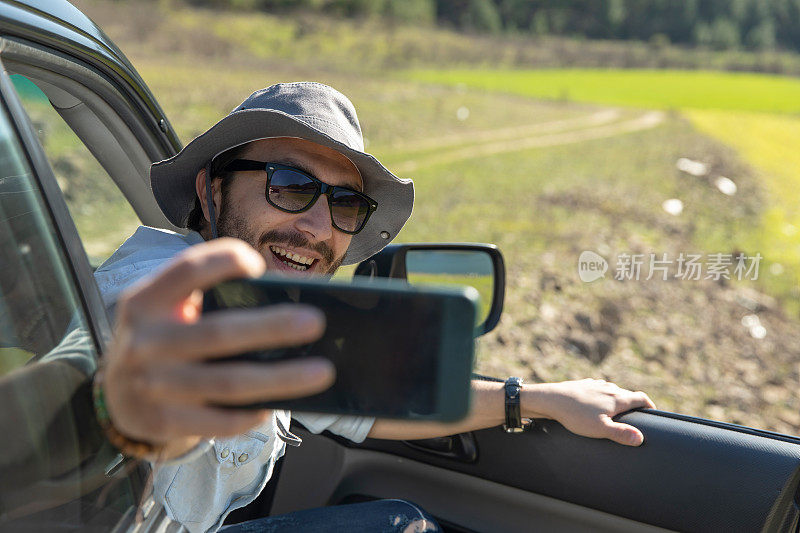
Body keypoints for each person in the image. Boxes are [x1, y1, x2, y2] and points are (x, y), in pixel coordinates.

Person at [94, 83, 656, 532]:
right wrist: (152, 412)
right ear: (212, 191)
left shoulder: (275, 312)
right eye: (290, 186)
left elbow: (372, 402)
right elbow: (146, 377)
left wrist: (532, 398)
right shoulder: (147, 292)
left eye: (345, 203)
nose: (317, 228)